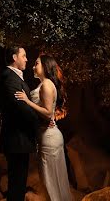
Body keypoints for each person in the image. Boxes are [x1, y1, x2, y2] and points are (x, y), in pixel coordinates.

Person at [15, 55, 72, 201]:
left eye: (37, 63)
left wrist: (27, 101)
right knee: (52, 182)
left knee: (51, 183)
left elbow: (47, 113)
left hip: (49, 138)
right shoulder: (45, 84)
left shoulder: (46, 84)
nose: (33, 67)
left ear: (46, 66)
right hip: (47, 135)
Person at [0, 46, 39, 201]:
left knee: (19, 181)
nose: (27, 59)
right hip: (16, 139)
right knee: (17, 182)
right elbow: (21, 108)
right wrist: (41, 121)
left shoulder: (14, 77)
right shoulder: (9, 78)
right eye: (24, 56)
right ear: (14, 57)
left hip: (19, 139)